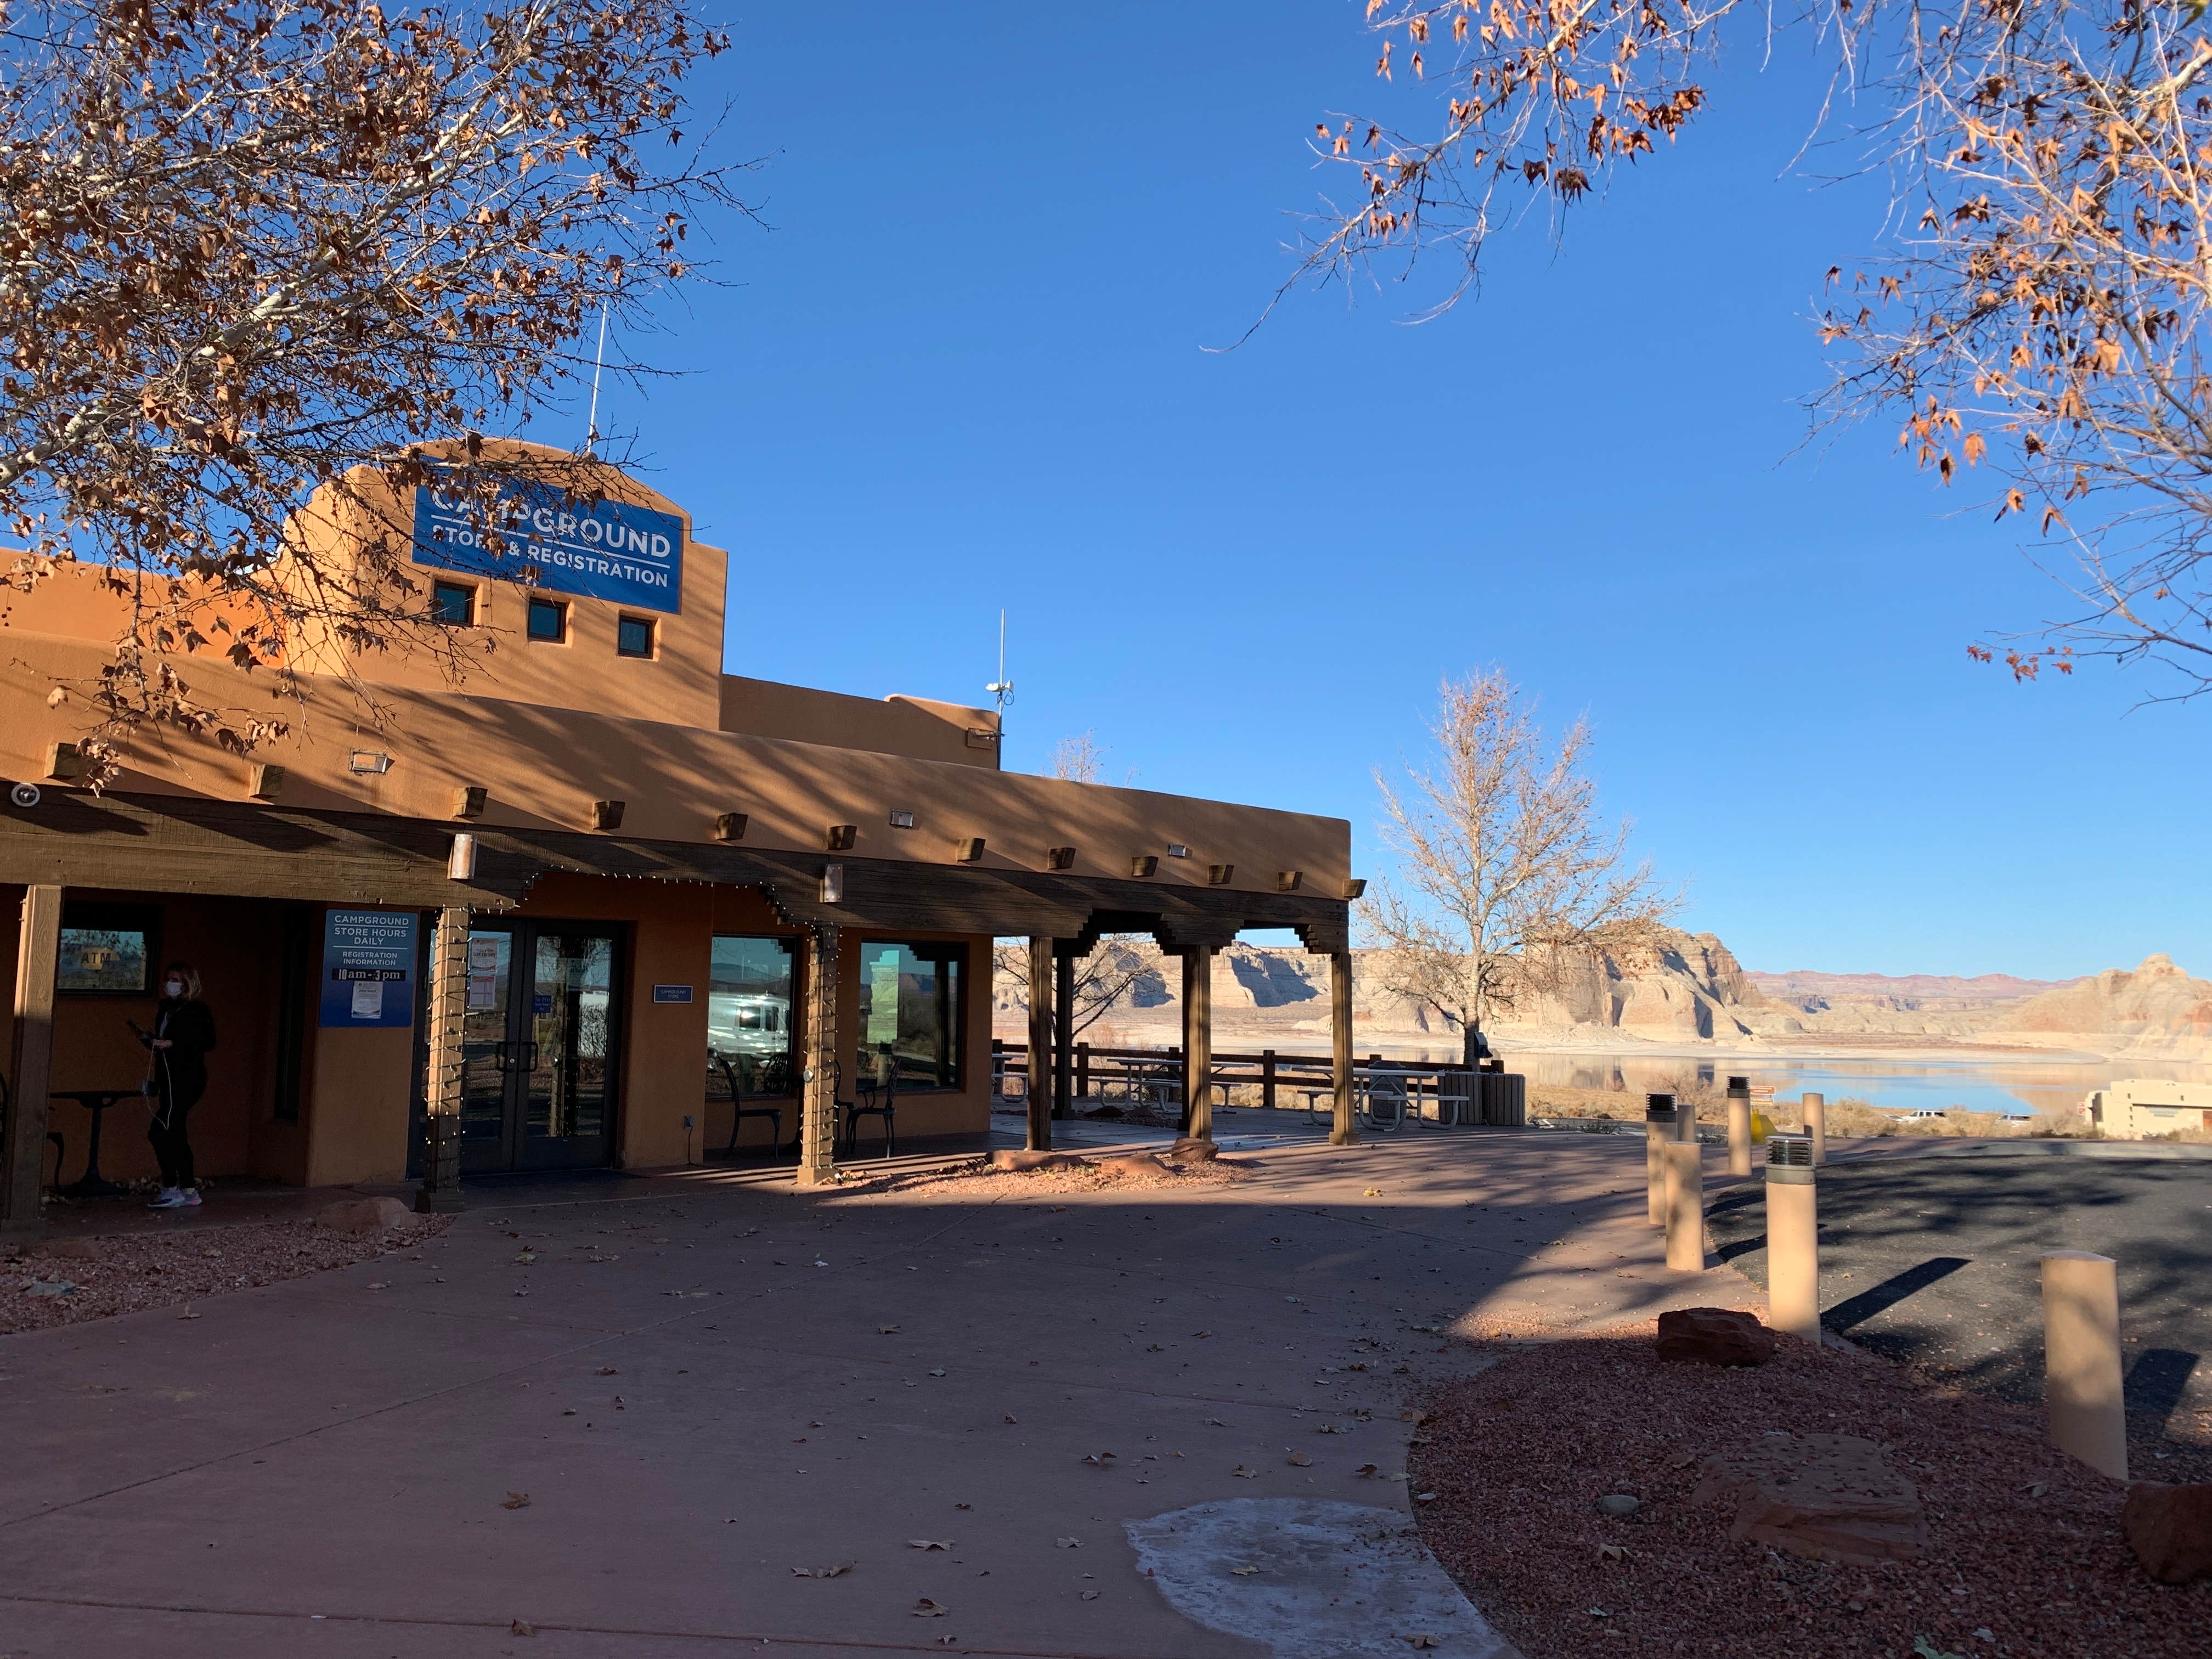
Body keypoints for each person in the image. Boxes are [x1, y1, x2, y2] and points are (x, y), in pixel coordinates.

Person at [134, 961, 217, 1209]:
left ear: (188, 983)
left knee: (164, 1130)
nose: (172, 984)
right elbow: (162, 1042)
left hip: (186, 1078)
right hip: (167, 1076)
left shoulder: (197, 1010)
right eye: (169, 978)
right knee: (171, 1131)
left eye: (177, 980)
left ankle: (175, 1187)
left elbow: (207, 1042)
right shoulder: (166, 1008)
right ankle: (186, 1189)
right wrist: (149, 1040)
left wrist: (173, 1044)